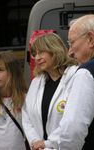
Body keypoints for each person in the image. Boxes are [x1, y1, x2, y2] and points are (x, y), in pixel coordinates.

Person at [22, 31, 78, 150]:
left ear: (55, 50)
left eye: (41, 52)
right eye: (34, 54)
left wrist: (48, 143)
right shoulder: (36, 82)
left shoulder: (75, 76)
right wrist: (35, 141)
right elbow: (26, 115)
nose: (37, 58)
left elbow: (74, 120)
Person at [56, 14, 94, 150]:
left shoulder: (86, 73)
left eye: (72, 43)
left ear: (91, 39)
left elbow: (73, 128)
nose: (70, 53)